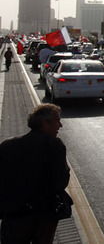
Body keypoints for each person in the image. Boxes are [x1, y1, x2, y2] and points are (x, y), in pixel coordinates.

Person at [0, 104, 72, 244]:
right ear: (45, 124)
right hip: (44, 214)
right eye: (57, 121)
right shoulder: (54, 145)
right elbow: (60, 181)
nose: (60, 125)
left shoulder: (7, 145)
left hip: (14, 213)